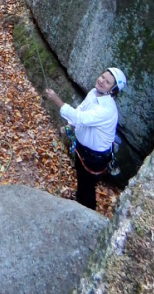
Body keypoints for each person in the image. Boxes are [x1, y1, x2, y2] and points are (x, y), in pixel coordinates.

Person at [45, 67, 126, 209]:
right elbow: (80, 111)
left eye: (107, 82)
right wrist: (70, 127)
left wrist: (56, 99)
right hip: (82, 149)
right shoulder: (94, 93)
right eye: (102, 76)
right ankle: (79, 200)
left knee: (87, 187)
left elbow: (80, 118)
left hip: (95, 157)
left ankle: (86, 211)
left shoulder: (107, 110)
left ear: (112, 90)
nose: (101, 81)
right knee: (81, 178)